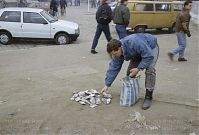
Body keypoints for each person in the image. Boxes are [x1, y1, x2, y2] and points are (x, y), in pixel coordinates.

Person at [101, 33, 159, 110]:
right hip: (136, 52)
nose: (114, 56)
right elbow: (114, 67)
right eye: (112, 55)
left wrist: (138, 68)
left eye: (115, 54)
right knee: (130, 74)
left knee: (150, 70)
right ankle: (132, 94)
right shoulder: (117, 52)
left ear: (119, 48)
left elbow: (149, 56)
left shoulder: (134, 42)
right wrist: (107, 84)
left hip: (150, 48)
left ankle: (148, 96)